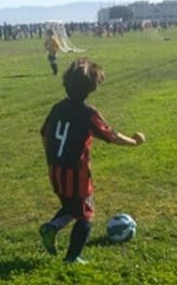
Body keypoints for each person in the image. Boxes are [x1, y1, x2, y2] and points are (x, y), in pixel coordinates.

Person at [38, 58, 146, 264]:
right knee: (86, 215)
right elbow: (111, 135)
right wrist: (133, 141)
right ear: (92, 88)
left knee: (72, 206)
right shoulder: (88, 113)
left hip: (55, 170)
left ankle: (51, 228)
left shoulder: (57, 108)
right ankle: (72, 257)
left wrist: (51, 160)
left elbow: (44, 134)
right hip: (76, 173)